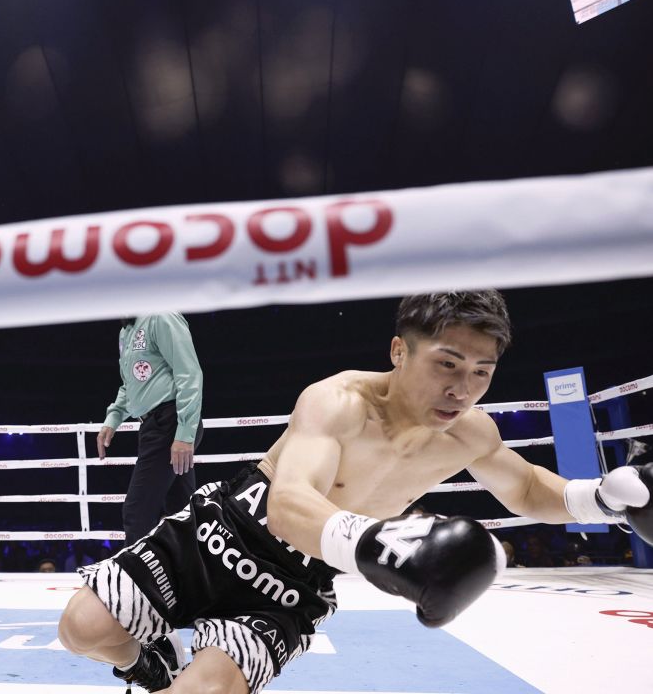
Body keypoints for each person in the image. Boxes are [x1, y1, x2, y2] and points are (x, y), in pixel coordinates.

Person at [58, 290, 653, 693]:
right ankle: (146, 661)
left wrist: (597, 498)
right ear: (400, 351)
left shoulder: (470, 434)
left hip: (293, 586)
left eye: (481, 372)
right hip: (221, 531)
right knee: (80, 630)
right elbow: (290, 506)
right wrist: (379, 545)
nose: (463, 389)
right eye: (447, 364)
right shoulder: (338, 402)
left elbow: (523, 486)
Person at [98, 314, 205, 544]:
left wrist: (185, 434)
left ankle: (135, 578)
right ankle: (189, 575)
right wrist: (113, 418)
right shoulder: (126, 331)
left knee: (137, 511)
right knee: (181, 511)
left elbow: (190, 374)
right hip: (153, 426)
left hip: (171, 423)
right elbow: (131, 385)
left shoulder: (161, 316)